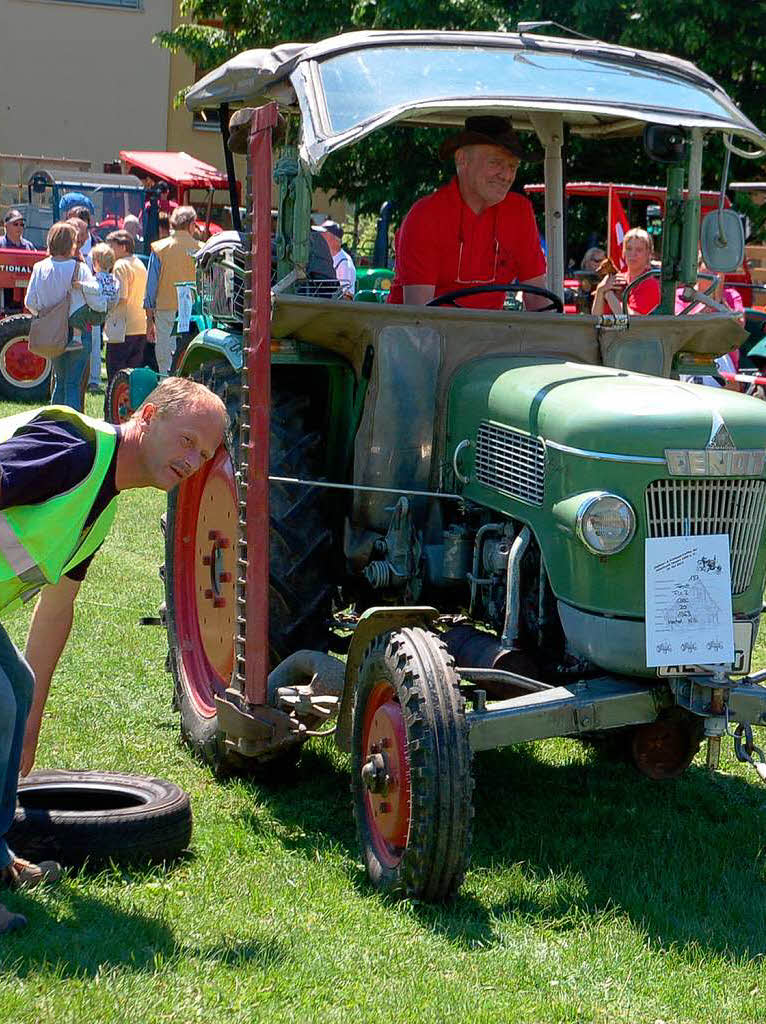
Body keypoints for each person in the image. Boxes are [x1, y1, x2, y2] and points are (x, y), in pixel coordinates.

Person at [0, 376, 226, 933]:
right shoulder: (72, 448)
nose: (193, 461)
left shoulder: (100, 506)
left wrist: (33, 721)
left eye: (205, 453)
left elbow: (56, 609)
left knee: (16, 692)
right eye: (187, 440)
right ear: (147, 416)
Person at [387, 115, 547, 309]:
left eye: (513, 166)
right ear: (462, 159)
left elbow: (539, 300)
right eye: (495, 162)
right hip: (429, 336)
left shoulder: (519, 212)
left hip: (488, 337)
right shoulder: (426, 216)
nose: (506, 175)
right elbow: (418, 317)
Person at [24, 221, 96, 412]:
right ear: (71, 243)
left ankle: (54, 427)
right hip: (78, 332)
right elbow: (94, 297)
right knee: (73, 384)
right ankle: (72, 430)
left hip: (52, 333)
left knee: (59, 381)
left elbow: (30, 302)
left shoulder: (39, 267)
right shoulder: (79, 268)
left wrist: (47, 315)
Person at [143, 206, 202, 376]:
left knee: (165, 360)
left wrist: (149, 320)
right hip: (194, 313)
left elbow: (150, 288)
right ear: (191, 224)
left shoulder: (159, 249)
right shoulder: (201, 249)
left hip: (166, 310)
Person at [104, 229, 148, 400]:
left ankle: (111, 415)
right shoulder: (139, 263)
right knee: (131, 380)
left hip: (122, 329)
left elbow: (120, 296)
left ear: (122, 247)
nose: (109, 251)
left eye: (111, 246)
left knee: (115, 379)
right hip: (139, 326)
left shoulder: (120, 265)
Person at [591, 227, 660, 315]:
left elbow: (631, 322)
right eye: (629, 249)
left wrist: (608, 294)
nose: (633, 254)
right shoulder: (615, 278)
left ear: (648, 254)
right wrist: (600, 290)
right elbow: (596, 317)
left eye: (639, 250)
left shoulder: (650, 284)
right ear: (623, 252)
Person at [66, 242, 119, 352]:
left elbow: (95, 288)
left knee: (76, 316)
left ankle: (77, 339)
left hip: (95, 311)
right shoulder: (113, 280)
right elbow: (116, 293)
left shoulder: (97, 279)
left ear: (96, 264)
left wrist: (80, 285)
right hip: (104, 312)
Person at [1, 209, 36, 312]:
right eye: (15, 224)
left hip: (25, 293)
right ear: (6, 225)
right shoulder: (0, 244)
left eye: (22, 224)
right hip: (3, 293)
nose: (19, 227)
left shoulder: (29, 246)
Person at [314, 220, 356, 298]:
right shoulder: (325, 256)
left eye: (322, 234)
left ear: (331, 237)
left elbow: (347, 296)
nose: (319, 236)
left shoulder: (344, 262)